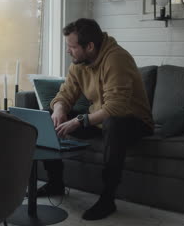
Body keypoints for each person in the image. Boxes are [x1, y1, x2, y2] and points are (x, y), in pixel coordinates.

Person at [38, 18, 154, 220]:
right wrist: (58, 109)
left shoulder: (116, 59)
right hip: (101, 119)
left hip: (133, 121)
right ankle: (55, 182)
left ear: (89, 46)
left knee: (114, 123)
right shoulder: (79, 64)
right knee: (48, 118)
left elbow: (117, 107)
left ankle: (107, 199)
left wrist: (79, 121)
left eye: (72, 47)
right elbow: (65, 94)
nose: (68, 51)